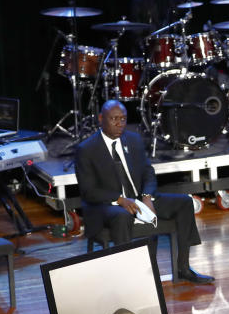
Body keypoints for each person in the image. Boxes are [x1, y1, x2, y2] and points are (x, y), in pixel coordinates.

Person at [75, 100, 214, 284]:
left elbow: (148, 172)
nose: (119, 124)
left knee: (184, 202)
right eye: (114, 119)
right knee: (122, 215)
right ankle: (128, 279)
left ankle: (183, 267)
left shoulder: (133, 140)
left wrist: (147, 197)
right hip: (105, 206)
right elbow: (88, 191)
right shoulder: (87, 149)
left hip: (138, 198)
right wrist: (119, 199)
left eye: (123, 119)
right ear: (101, 119)